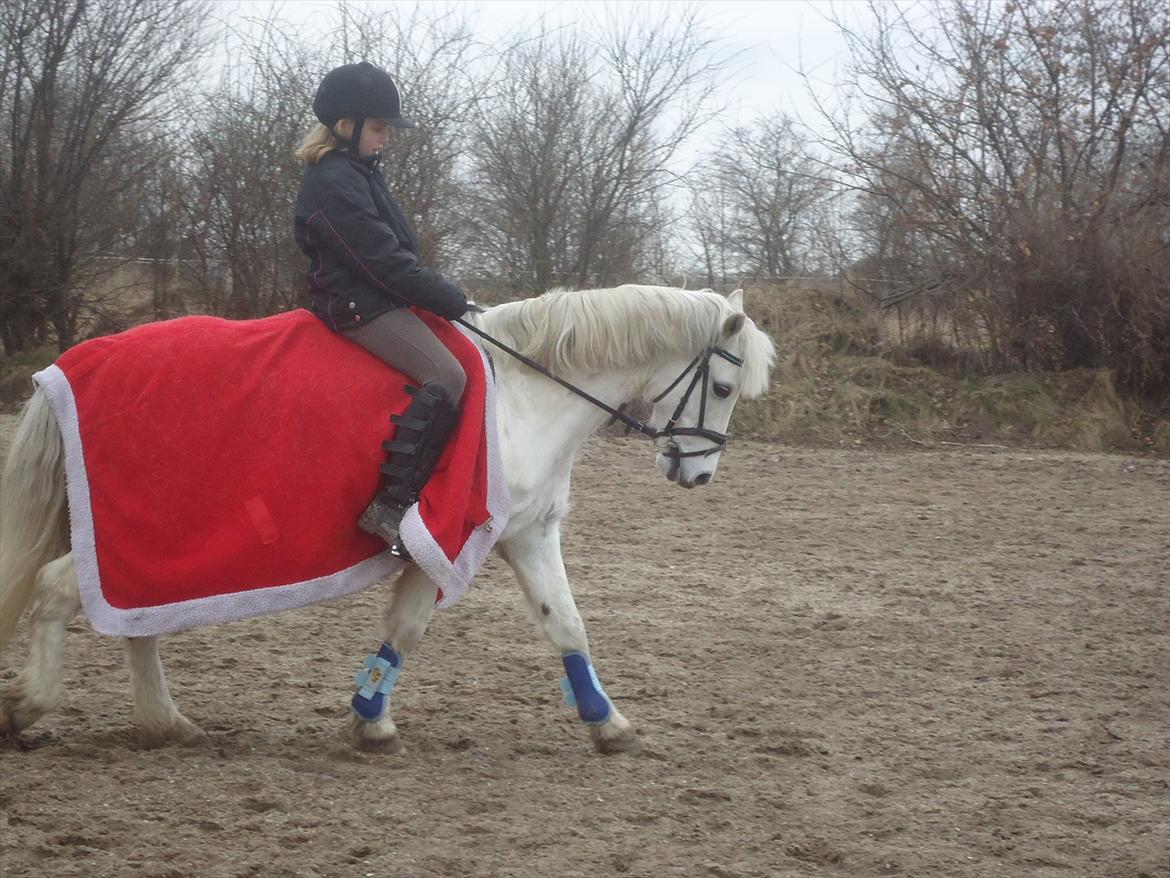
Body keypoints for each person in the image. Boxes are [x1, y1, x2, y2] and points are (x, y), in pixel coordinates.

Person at [294, 61, 470, 554]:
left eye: (386, 129)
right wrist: (446, 297)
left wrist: (446, 297)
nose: (384, 138)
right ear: (345, 126)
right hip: (358, 307)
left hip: (378, 296)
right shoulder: (333, 181)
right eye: (377, 128)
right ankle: (391, 507)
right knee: (447, 376)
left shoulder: (360, 173)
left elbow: (398, 254)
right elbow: (382, 261)